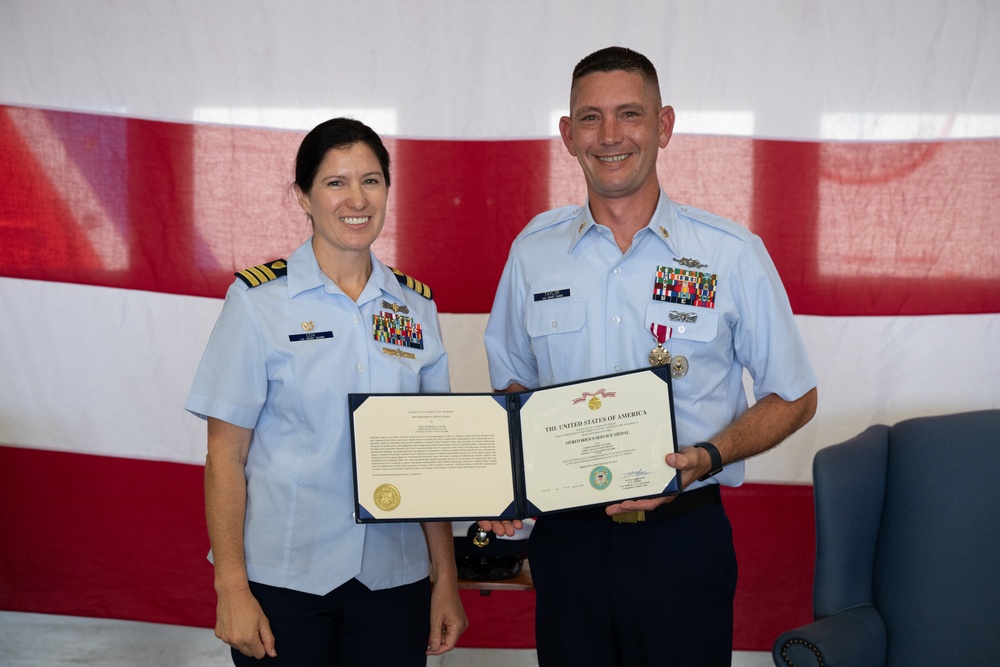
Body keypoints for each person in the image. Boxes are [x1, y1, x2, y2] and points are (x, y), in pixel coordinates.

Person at [481, 47, 818, 666]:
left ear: (664, 126)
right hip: (568, 543)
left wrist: (708, 457)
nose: (610, 136)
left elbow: (795, 395)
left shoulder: (729, 254)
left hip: (681, 541)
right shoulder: (533, 253)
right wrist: (494, 469)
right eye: (590, 118)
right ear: (567, 134)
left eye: (629, 114)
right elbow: (514, 390)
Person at [185, 117, 467, 665]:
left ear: (387, 189)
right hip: (286, 583)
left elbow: (435, 460)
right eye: (335, 182)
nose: (355, 199)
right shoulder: (258, 302)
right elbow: (226, 453)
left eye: (371, 180)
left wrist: (445, 580)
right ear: (303, 196)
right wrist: (231, 588)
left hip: (394, 580)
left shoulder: (416, 307)